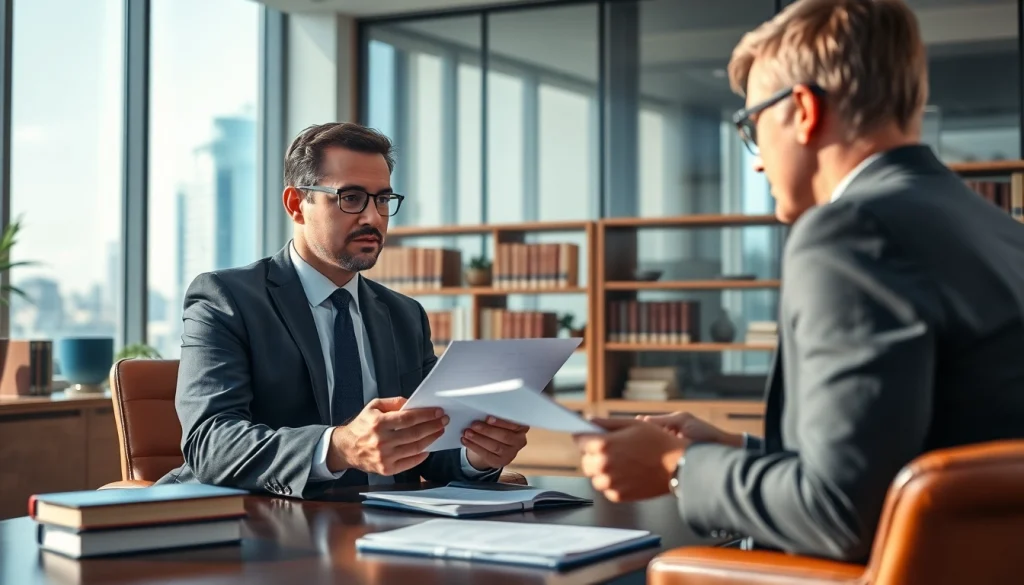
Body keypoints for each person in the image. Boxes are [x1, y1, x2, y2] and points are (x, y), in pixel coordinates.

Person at [574, 0, 1024, 562]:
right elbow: (905, 463)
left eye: (752, 126)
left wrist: (675, 467)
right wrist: (734, 447)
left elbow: (840, 512)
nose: (757, 162)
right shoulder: (997, 230)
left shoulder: (851, 231)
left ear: (803, 110)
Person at [158, 122, 529, 498]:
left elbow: (429, 449)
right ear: (296, 204)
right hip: (275, 528)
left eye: (383, 200)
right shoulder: (226, 298)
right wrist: (338, 448)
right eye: (351, 197)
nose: (372, 217)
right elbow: (211, 442)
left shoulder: (404, 315)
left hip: (394, 528)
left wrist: (477, 455)